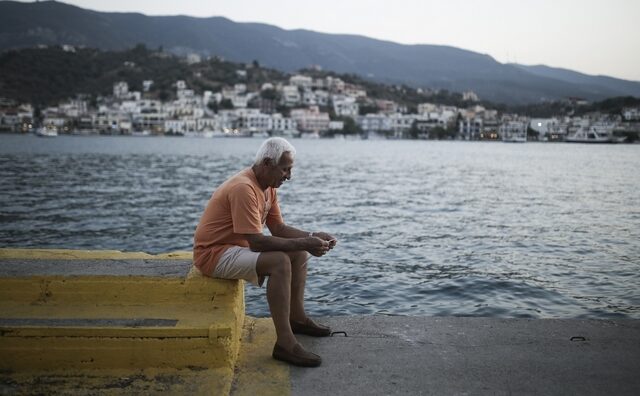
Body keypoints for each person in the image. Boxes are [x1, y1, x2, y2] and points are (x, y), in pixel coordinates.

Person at [193, 137, 337, 367]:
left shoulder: (268, 188)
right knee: (280, 261)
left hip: (235, 249)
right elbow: (258, 242)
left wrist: (312, 237)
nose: (289, 176)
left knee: (299, 254)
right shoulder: (244, 188)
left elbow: (278, 228)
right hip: (213, 254)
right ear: (268, 163)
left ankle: (297, 318)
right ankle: (285, 344)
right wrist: (305, 242)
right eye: (285, 169)